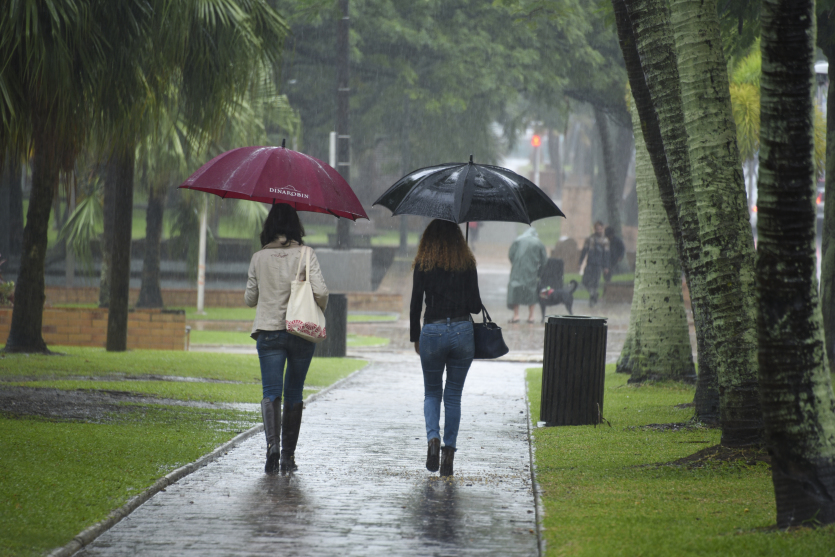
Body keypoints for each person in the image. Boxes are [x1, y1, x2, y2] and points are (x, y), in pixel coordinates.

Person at [245, 203, 328, 475]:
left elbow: (250, 299)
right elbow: (322, 292)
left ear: (269, 227)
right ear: (296, 226)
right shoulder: (306, 254)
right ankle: (288, 457)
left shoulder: (258, 258)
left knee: (271, 394)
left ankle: (272, 447)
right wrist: (314, 306)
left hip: (268, 332)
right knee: (294, 393)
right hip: (300, 332)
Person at [410, 219, 483, 477]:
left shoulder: (424, 263)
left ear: (428, 238)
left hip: (432, 330)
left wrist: (415, 336)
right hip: (463, 332)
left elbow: (416, 302)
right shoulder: (467, 262)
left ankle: (433, 439)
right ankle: (448, 454)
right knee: (453, 396)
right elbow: (475, 305)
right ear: (458, 238)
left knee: (432, 393)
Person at [506, 227, 548, 323]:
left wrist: (516, 264)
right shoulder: (538, 242)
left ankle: (516, 315)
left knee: (515, 289)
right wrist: (539, 271)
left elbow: (511, 255)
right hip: (532, 270)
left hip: (517, 269)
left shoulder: (518, 240)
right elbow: (544, 260)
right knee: (531, 290)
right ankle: (531, 316)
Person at [578, 221, 610, 306]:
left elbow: (606, 254)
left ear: (602, 229)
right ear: (594, 229)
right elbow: (584, 251)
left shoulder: (605, 240)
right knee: (585, 281)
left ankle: (592, 301)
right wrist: (580, 262)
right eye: (597, 229)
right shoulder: (589, 239)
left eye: (600, 229)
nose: (599, 231)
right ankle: (593, 294)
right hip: (590, 263)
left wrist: (606, 266)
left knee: (595, 283)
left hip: (598, 265)